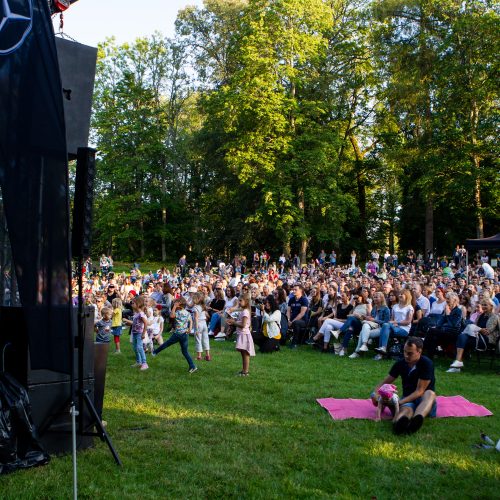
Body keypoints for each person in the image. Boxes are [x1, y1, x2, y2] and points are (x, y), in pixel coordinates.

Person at [371, 337, 437, 434]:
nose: (406, 355)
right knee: (406, 410)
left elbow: (420, 391)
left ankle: (417, 419)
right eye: (404, 352)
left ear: (419, 351)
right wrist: (375, 394)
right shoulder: (400, 364)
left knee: (430, 393)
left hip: (423, 400)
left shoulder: (426, 363)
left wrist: (400, 402)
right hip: (407, 398)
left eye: (410, 353)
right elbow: (385, 382)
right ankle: (399, 424)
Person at [447, 299, 500, 373]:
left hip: (486, 340)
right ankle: (458, 363)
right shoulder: (480, 316)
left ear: (491, 306)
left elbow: (486, 332)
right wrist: (480, 329)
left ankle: (457, 364)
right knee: (461, 337)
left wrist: (478, 329)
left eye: (485, 305)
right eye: (483, 305)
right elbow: (476, 328)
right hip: (476, 337)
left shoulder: (494, 317)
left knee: (461, 337)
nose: (483, 306)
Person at [374, 289, 414, 359]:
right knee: (385, 327)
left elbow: (408, 321)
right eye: (400, 294)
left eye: (402, 294)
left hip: (404, 329)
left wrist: (396, 323)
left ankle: (381, 351)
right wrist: (392, 323)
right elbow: (392, 319)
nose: (400, 295)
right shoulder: (395, 306)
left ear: (407, 296)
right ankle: (382, 351)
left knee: (385, 326)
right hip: (393, 327)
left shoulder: (409, 307)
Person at [227, 293, 255, 375]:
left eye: (240, 300)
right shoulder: (243, 311)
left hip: (244, 335)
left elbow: (243, 325)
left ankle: (246, 371)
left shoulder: (245, 312)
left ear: (246, 301)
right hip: (241, 334)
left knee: (245, 353)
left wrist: (234, 322)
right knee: (242, 353)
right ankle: (244, 370)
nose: (239, 302)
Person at [123, 296, 149, 371]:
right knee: (135, 347)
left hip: (139, 333)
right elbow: (135, 323)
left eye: (133, 303)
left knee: (139, 347)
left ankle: (145, 363)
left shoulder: (141, 314)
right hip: (134, 333)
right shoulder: (136, 314)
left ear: (138, 304)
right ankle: (138, 362)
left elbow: (146, 323)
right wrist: (128, 323)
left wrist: (143, 333)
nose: (131, 304)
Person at [193, 292, 211, 361]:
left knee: (198, 340)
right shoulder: (203, 306)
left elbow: (196, 318)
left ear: (197, 299)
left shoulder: (196, 308)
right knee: (206, 339)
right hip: (204, 324)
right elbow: (207, 316)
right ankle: (207, 355)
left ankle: (199, 356)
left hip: (199, 324)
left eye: (193, 298)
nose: (192, 299)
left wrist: (196, 329)